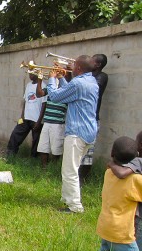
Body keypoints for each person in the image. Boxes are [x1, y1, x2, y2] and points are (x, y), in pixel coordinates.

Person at [47, 55, 98, 213]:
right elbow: (70, 93)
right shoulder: (92, 82)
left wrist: (51, 79)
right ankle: (67, 198)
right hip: (89, 131)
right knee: (71, 168)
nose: (71, 67)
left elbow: (55, 96)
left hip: (77, 132)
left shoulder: (78, 82)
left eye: (74, 65)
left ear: (79, 68)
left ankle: (75, 206)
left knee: (70, 170)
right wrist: (62, 78)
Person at [96, 136, 142, 250]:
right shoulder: (135, 180)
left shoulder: (108, 173)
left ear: (112, 153)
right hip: (122, 234)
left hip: (105, 227)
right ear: (136, 157)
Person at [79, 54, 109, 183]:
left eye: (92, 60)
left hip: (92, 119)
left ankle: (84, 178)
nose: (89, 61)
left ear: (97, 65)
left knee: (88, 152)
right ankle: (76, 178)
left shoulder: (102, 77)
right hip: (80, 118)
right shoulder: (86, 77)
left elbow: (89, 87)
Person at [7, 73, 47, 158]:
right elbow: (25, 101)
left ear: (37, 74)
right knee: (15, 134)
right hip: (26, 117)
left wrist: (39, 121)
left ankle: (34, 159)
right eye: (29, 73)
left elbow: (44, 104)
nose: (29, 75)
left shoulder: (43, 85)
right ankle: (10, 154)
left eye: (32, 73)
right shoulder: (28, 85)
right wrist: (22, 116)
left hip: (36, 119)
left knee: (36, 141)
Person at [35, 76, 68, 169]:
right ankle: (44, 169)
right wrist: (40, 80)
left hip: (58, 124)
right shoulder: (50, 88)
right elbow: (39, 94)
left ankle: (54, 169)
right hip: (47, 122)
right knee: (43, 147)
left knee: (56, 149)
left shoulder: (67, 89)